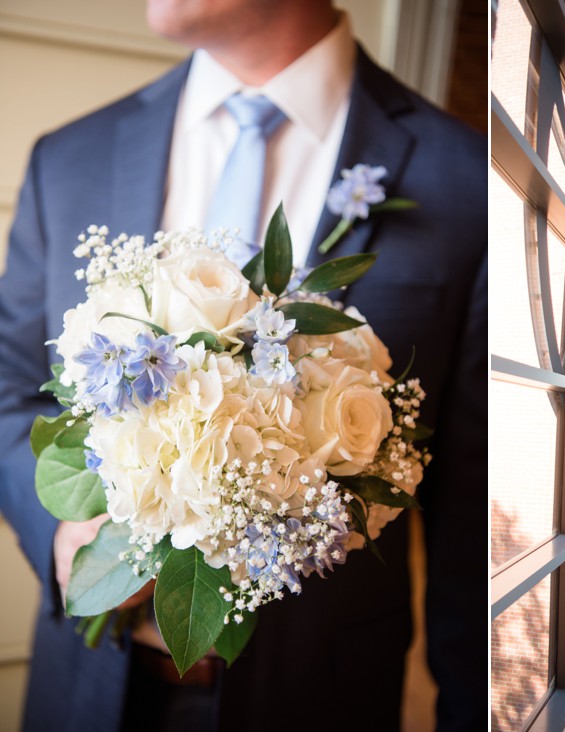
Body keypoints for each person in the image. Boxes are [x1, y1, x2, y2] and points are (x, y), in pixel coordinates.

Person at [0, 1, 486, 730]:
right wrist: (64, 532)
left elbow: (474, 513)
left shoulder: (466, 182)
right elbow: (9, 387)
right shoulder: (69, 157)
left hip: (318, 697)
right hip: (85, 693)